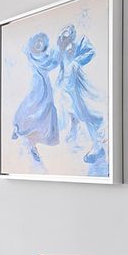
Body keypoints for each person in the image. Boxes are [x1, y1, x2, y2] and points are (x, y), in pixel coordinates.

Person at [55, 24, 106, 164]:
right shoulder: (63, 48)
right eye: (63, 35)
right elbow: (62, 65)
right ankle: (75, 134)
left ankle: (98, 145)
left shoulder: (79, 43)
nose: (65, 37)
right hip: (65, 86)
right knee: (71, 111)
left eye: (67, 34)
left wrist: (77, 62)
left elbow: (90, 52)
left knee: (84, 113)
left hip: (76, 83)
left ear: (72, 33)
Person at [10, 32, 60, 166]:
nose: (39, 44)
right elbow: (50, 64)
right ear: (33, 45)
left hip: (46, 88)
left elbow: (53, 63)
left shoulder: (46, 57)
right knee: (29, 106)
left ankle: (32, 143)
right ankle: (18, 128)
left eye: (41, 43)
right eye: (37, 42)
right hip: (37, 87)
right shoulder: (33, 57)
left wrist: (57, 53)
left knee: (44, 112)